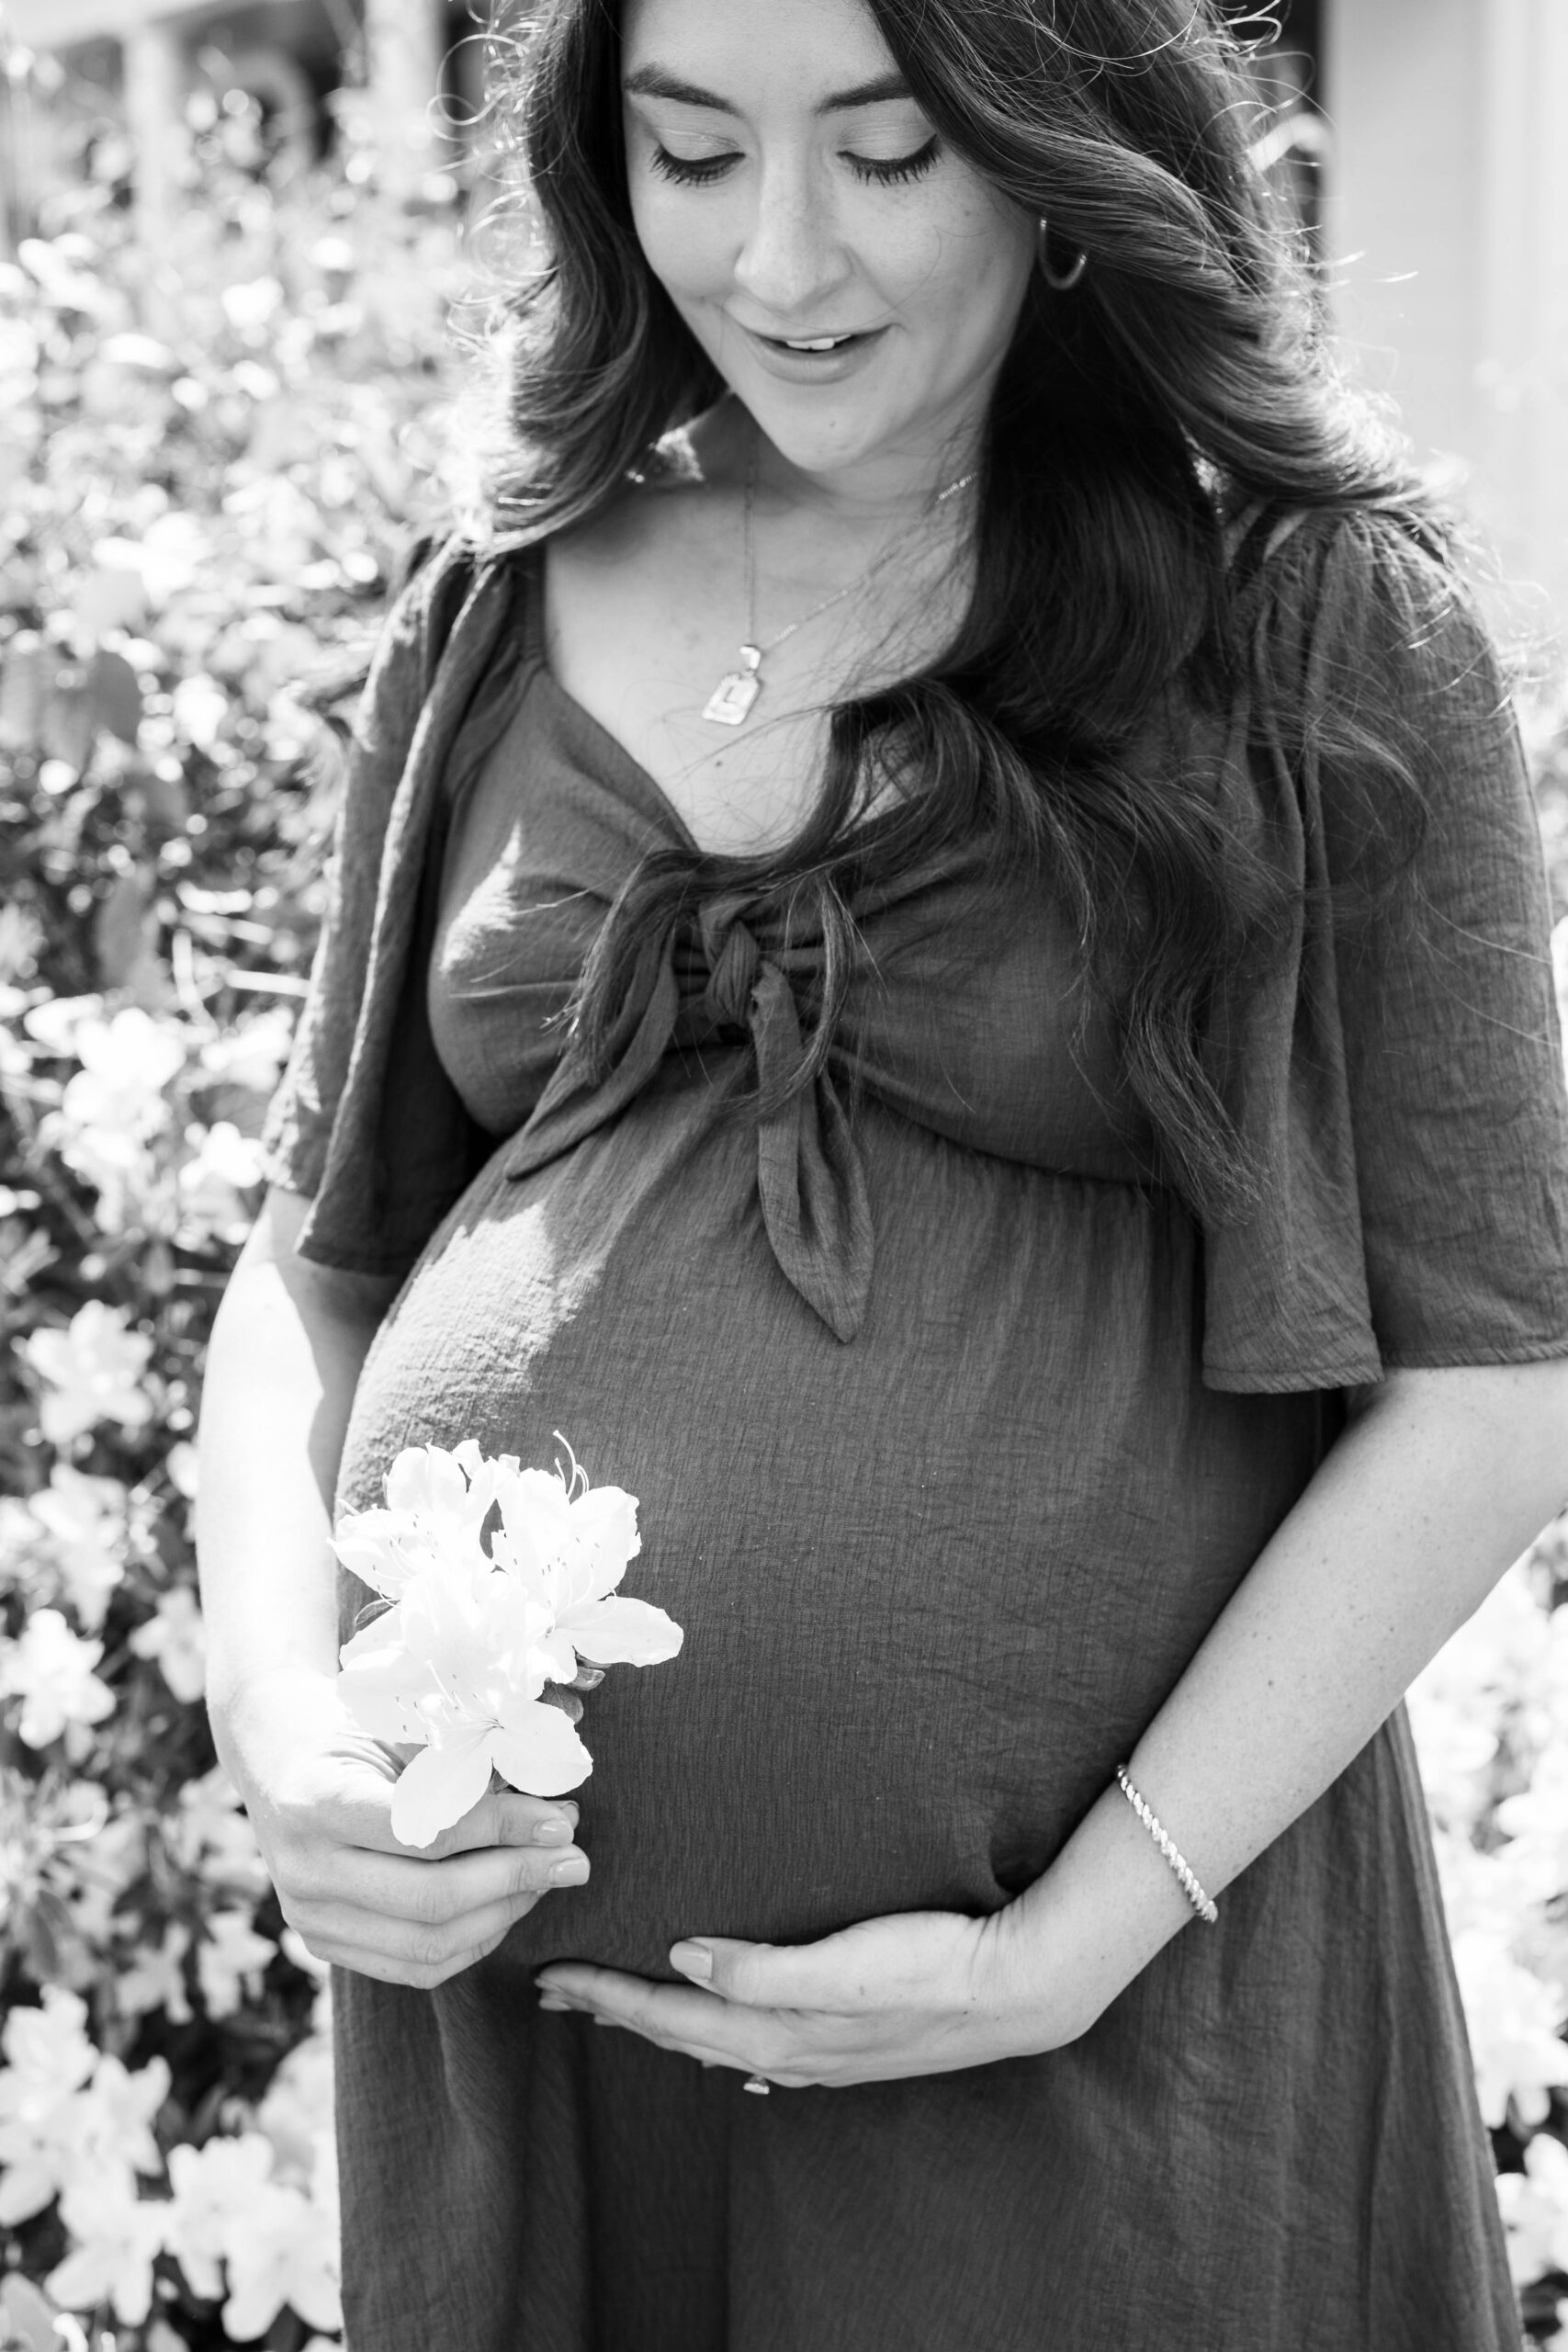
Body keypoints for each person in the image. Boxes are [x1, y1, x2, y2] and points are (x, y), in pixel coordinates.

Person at [196, 0, 1568, 2345]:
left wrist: (1069, 1941)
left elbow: (1503, 1370)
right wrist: (285, 1735)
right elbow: (314, 1271)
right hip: (525, 2056)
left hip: (1095, 2062)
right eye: (691, 150)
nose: (781, 252)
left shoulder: (1306, 612)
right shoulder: (506, 591)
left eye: (885, 150)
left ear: (1055, 152)